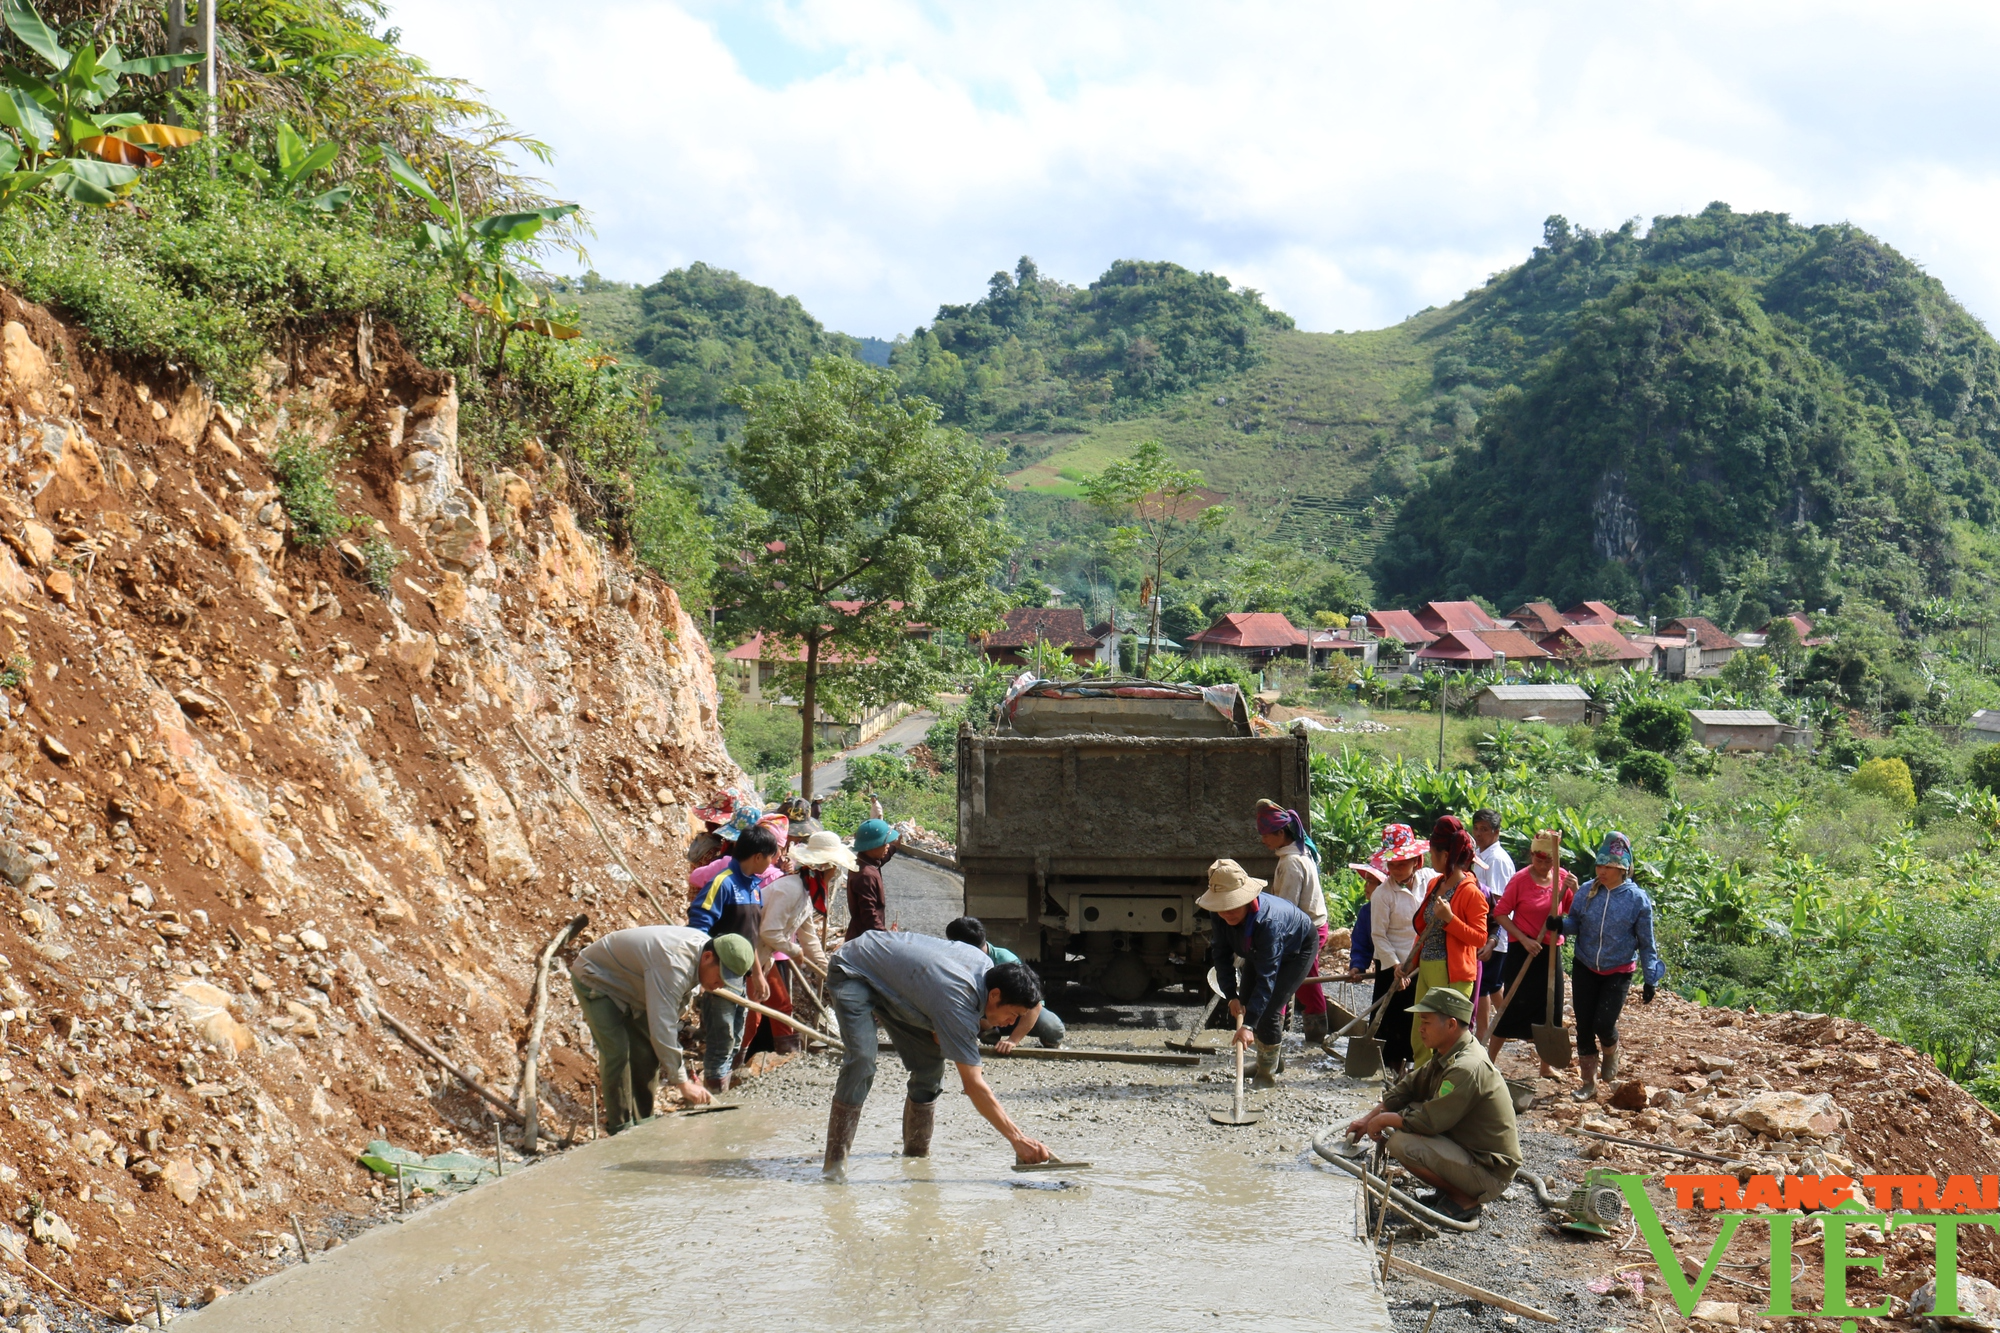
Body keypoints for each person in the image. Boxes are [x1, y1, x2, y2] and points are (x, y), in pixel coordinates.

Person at [821, 930, 1053, 1179]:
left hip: (899, 985)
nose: (1010, 1023)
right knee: (863, 1061)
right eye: (1014, 1014)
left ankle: (916, 1160)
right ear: (995, 995)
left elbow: (937, 1009)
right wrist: (1017, 1138)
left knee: (930, 1067)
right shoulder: (959, 1001)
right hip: (854, 968)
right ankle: (834, 1165)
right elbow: (974, 1085)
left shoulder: (985, 968)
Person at [1346, 987, 1522, 1223]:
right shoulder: (1448, 1053)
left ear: (1450, 1025)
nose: (1420, 1028)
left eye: (1426, 1022)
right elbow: (1406, 1090)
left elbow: (1428, 1122)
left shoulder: (1466, 1067)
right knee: (1407, 1114)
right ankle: (1449, 1191)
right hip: (1472, 1154)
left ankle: (1463, 1199)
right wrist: (1367, 1120)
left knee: (1401, 1142)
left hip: (1489, 1173)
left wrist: (1384, 1119)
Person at [569, 926, 756, 1131]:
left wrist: (682, 1072)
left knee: (647, 1052)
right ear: (708, 957)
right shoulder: (675, 964)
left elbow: (668, 1019)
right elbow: (662, 1027)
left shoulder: (702, 955)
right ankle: (620, 1128)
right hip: (597, 977)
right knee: (618, 1052)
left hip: (634, 986)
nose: (720, 985)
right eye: (720, 977)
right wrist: (683, 1084)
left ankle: (643, 1123)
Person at [1549, 831, 1664, 1100]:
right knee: (1584, 1025)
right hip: (1585, 964)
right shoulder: (1587, 891)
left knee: (1604, 1022)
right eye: (1600, 865)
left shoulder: (1637, 900)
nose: (1602, 871)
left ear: (1622, 869)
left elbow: (1647, 942)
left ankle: (1611, 1050)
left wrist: (1651, 979)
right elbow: (1576, 923)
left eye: (1608, 867)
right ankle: (1588, 1082)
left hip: (1618, 969)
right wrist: (1561, 925)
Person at [1200, 857, 1321, 1088]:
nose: (1227, 913)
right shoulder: (1219, 914)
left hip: (1297, 949)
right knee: (1245, 1004)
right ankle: (1270, 1060)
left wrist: (1248, 1027)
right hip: (1256, 950)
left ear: (1246, 899)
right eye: (1222, 907)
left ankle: (1266, 1074)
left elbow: (1268, 977)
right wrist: (1230, 995)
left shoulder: (1268, 922)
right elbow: (1221, 955)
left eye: (1232, 906)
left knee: (1268, 1010)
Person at [749, 829, 855, 1056]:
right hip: (749, 955)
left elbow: (809, 937)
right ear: (825, 867)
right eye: (835, 867)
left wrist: (825, 970)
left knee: (781, 1005)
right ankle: (731, 1066)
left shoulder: (808, 892)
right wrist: (793, 950)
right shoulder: (789, 889)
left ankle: (789, 1055)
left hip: (763, 956)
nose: (836, 872)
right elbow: (769, 932)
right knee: (751, 1011)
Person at [688, 824, 776, 1091]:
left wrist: (758, 974)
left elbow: (750, 939)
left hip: (741, 973)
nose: (774, 862)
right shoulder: (723, 883)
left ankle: (721, 1087)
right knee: (722, 1036)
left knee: (736, 1035)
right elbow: (698, 926)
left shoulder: (754, 888)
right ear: (758, 856)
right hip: (719, 974)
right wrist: (705, 973)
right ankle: (713, 1090)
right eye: (771, 856)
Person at [1396, 816, 1487, 1069]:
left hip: (1453, 974)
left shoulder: (1471, 891)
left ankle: (1445, 1088)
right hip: (1427, 968)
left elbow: (1479, 938)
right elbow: (1423, 929)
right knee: (1421, 1035)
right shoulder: (1436, 884)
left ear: (1445, 855)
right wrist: (1408, 963)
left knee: (1445, 1039)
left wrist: (1450, 919)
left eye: (1433, 853)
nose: (1430, 857)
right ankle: (1423, 1085)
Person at [1487, 830, 1576, 1077]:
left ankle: (1545, 1066)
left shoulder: (1562, 877)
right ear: (1531, 855)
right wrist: (1525, 940)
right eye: (1539, 858)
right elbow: (1501, 913)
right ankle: (1489, 1062)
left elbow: (1572, 910)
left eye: (1549, 859)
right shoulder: (1520, 880)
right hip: (1524, 950)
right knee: (1512, 1006)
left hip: (1550, 952)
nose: (1544, 863)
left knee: (1551, 1007)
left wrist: (1575, 889)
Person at [1346, 824, 1432, 1072]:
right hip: (1392, 964)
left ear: (1416, 861)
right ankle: (1393, 1070)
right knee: (1392, 1020)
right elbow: (1378, 936)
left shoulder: (1429, 880)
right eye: (1392, 865)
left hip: (1423, 962)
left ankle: (1419, 1067)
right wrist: (1396, 965)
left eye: (1402, 863)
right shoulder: (1383, 894)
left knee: (1419, 1018)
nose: (1396, 869)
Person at [1254, 798, 1331, 1045]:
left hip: (1306, 930)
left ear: (1280, 833)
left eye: (1267, 835)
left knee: (1290, 980)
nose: (1263, 840)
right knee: (1296, 980)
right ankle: (1286, 1030)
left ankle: (1293, 1032)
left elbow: (1286, 908)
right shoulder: (1297, 853)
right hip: (1308, 925)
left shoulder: (1291, 863)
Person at [945, 916, 1065, 1050]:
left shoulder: (1005, 960)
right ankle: (988, 1029)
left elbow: (1033, 1004)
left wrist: (1013, 1040)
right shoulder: (957, 962)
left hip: (1013, 1011)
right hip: (984, 1013)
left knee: (1052, 1028)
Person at [1470, 809, 1515, 1041]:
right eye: (1476, 828)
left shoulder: (1496, 860)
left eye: (1484, 830)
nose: (1479, 833)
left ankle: (1482, 1035)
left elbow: (1496, 901)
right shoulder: (1481, 853)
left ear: (1496, 832)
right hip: (1489, 930)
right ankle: (1511, 1023)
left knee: (1485, 985)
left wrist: (1490, 936)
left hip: (1493, 931)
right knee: (1495, 984)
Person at [842, 818, 899, 941]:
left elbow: (879, 861)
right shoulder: (866, 875)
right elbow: (869, 915)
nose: (887, 846)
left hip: (864, 935)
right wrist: (886, 938)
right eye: (884, 844)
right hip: (864, 940)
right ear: (872, 846)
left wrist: (894, 847)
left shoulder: (864, 863)